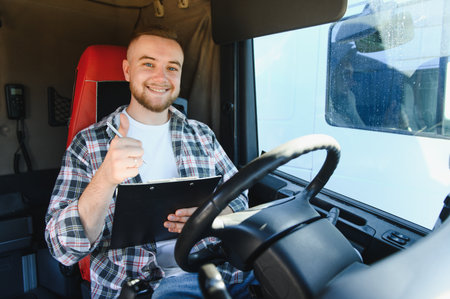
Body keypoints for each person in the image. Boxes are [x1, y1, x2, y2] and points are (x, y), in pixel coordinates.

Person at [45, 26, 257, 298]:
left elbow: (240, 200)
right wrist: (105, 179)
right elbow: (61, 248)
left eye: (172, 68)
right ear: (127, 70)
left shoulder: (201, 134)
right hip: (144, 286)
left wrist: (213, 216)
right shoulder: (88, 144)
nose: (161, 77)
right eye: (148, 64)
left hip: (224, 272)